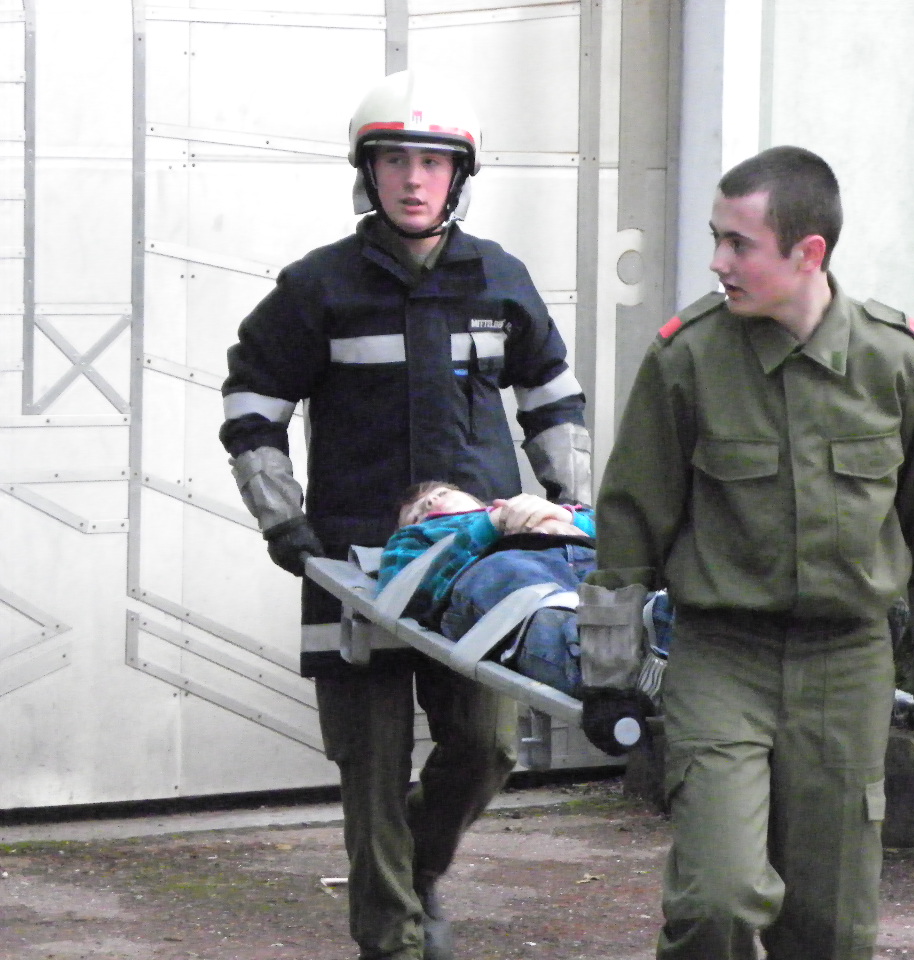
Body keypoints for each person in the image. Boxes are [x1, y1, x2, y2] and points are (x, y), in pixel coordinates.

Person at [218, 71, 591, 960]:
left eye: (432, 162)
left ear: (459, 174)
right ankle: (392, 941)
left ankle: (416, 870)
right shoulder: (318, 287)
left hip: (480, 568)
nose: (413, 179)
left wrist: (569, 506)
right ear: (369, 171)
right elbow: (251, 406)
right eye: (394, 160)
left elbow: (553, 399)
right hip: (356, 568)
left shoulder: (500, 279)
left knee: (488, 746)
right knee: (373, 766)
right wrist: (282, 519)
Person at [577, 146, 914, 960]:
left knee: (831, 929)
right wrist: (609, 676)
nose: (718, 262)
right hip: (724, 659)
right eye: (716, 239)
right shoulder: (688, 360)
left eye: (739, 243)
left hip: (847, 665)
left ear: (808, 252)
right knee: (716, 899)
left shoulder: (896, 363)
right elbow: (630, 522)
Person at [378, 481, 671, 711]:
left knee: (632, 595)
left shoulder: (533, 507)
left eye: (441, 493)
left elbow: (623, 532)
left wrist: (565, 516)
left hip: (583, 556)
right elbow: (404, 587)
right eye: (417, 514)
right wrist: (489, 526)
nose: (430, 501)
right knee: (542, 606)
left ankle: (665, 637)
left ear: (478, 500)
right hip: (499, 569)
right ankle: (610, 677)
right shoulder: (415, 539)